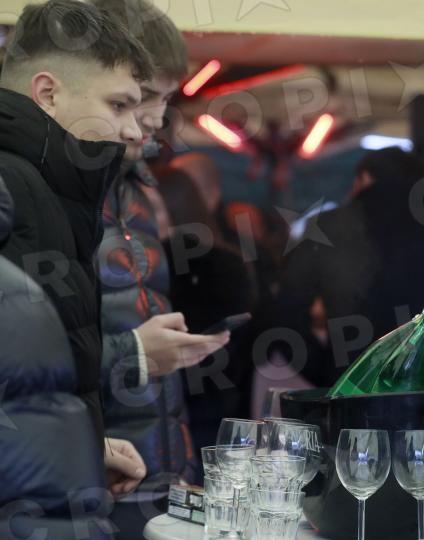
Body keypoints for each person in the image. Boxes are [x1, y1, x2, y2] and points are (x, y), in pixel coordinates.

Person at [0, 0, 152, 499]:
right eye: (118, 105)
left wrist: (81, 448)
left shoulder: (51, 192)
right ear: (47, 93)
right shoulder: (10, 185)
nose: (134, 130)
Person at [87, 0, 229, 535]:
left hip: (160, 470)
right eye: (143, 95)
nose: (153, 117)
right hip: (89, 477)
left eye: (166, 98)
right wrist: (133, 353)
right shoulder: (51, 194)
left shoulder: (139, 187)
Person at [267, 147, 424, 387]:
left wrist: (325, 370)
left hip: (348, 384)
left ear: (364, 178)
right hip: (423, 386)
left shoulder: (328, 226)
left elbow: (286, 311)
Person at [157, 165, 258, 464]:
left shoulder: (165, 263)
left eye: (152, 208)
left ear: (172, 209)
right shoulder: (230, 260)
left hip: (183, 411)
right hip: (226, 410)